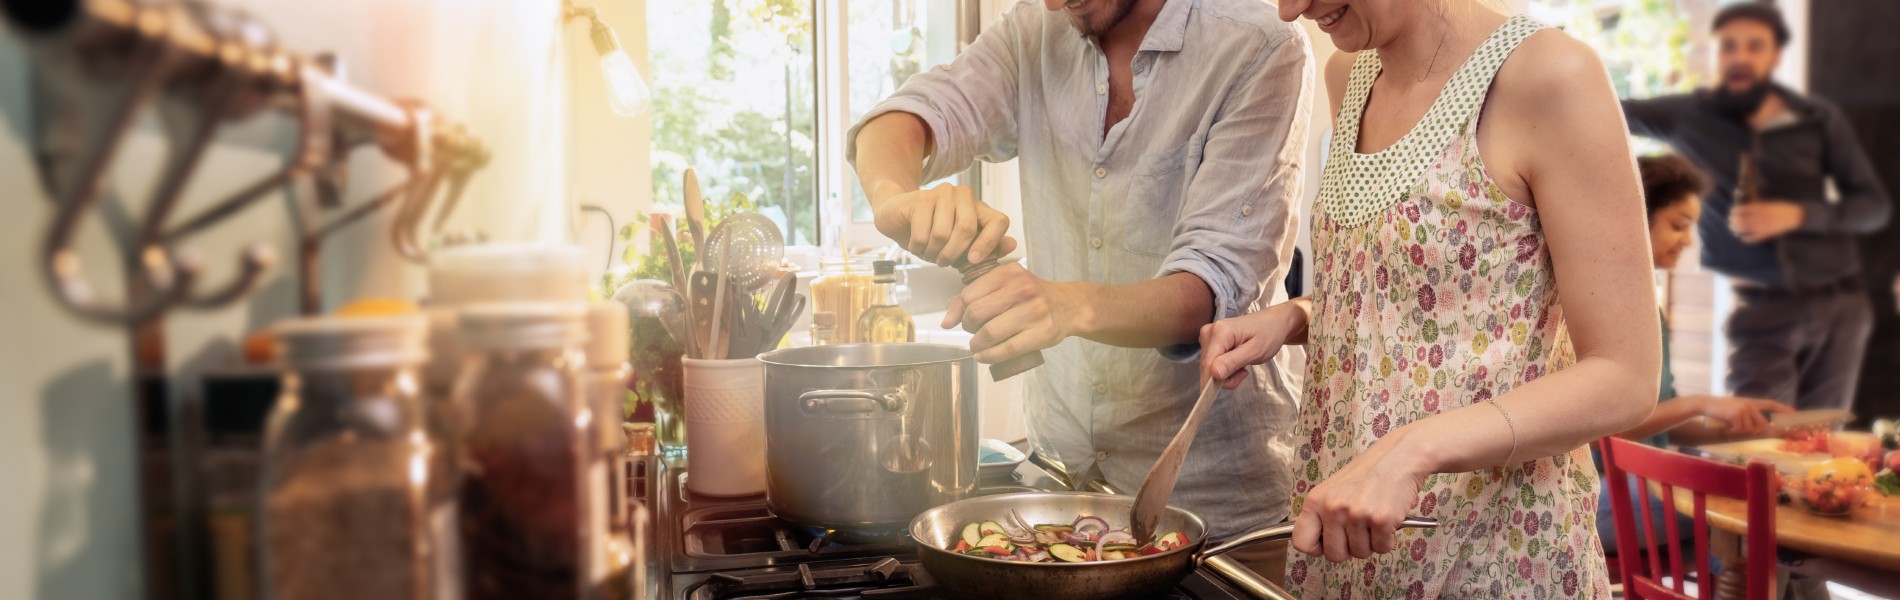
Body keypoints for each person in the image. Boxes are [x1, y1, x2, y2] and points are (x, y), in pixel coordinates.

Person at [1200, 0, 1664, 596]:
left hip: (1493, 552)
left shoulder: (1550, 77)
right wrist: (1297, 315)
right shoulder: (1352, 74)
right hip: (1348, 542)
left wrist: (1412, 450)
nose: (1291, 11)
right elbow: (1422, 300)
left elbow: (1626, 376)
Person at [846, 0, 1311, 579]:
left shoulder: (1258, 45)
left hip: (1217, 509)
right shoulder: (1036, 30)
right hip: (1061, 488)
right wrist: (897, 199)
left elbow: (1213, 287)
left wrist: (1065, 306)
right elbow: (908, 115)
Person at [1621, 2, 1892, 413]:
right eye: (1729, 46)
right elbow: (1603, 114)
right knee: (1756, 438)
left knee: (1820, 445)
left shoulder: (1818, 119)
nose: (1740, 56)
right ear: (1716, 53)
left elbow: (1874, 207)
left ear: (1775, 56)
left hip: (1843, 303)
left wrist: (1800, 215)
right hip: (1763, 308)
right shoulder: (1687, 116)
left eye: (1754, 46)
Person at [1592, 153, 1794, 551]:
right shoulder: (1605, 305)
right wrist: (1701, 402)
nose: (1687, 240)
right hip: (1596, 494)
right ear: (1635, 217)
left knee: (1782, 525)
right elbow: (1600, 430)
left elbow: (1657, 420)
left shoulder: (1649, 305)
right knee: (1764, 515)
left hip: (1641, 482)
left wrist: (1736, 422)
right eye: (1677, 225)